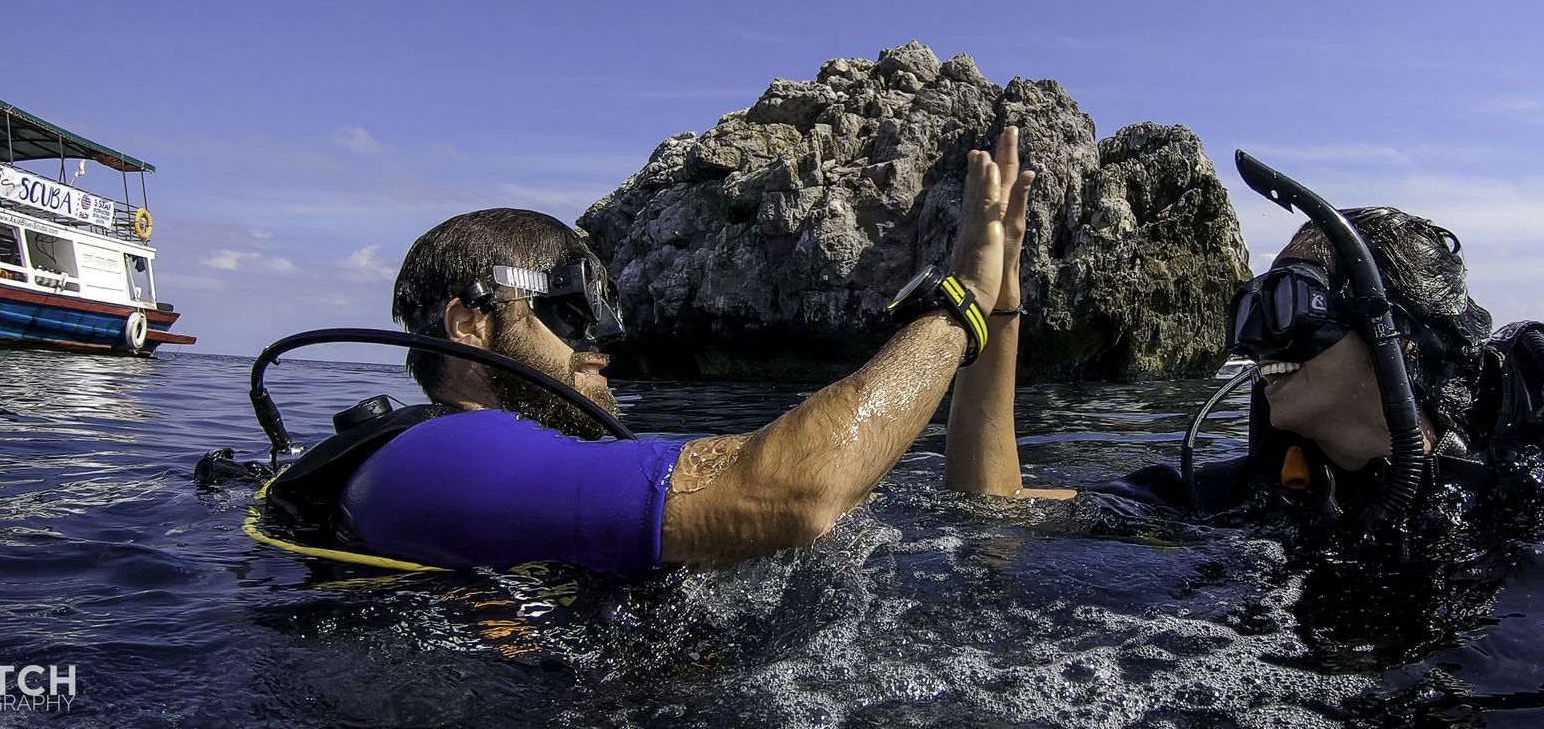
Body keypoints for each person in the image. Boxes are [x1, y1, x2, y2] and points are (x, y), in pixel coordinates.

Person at [268, 132, 1023, 578]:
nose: (600, 341)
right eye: (570, 309)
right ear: (469, 324)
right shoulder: (448, 453)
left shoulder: (504, 462)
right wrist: (961, 305)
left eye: (605, 312)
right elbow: (796, 494)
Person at [946, 149, 1544, 568]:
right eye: (1249, 309)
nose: (1257, 341)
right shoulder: (1257, 495)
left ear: (1393, 332)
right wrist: (995, 304)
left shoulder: (1539, 490)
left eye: (1288, 302)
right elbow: (993, 506)